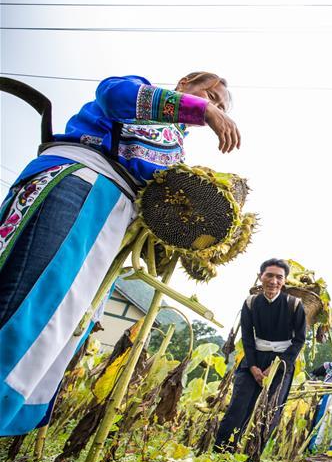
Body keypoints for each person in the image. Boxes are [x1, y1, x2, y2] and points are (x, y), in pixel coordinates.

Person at [0, 72, 240, 436]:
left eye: (221, 105)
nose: (215, 106)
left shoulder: (176, 152)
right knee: (30, 302)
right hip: (80, 185)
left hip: (110, 224)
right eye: (211, 94)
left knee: (60, 328)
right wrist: (201, 109)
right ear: (187, 82)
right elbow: (114, 95)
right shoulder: (139, 92)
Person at [214, 259, 306, 452]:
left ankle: (248, 461)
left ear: (285, 281)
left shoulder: (295, 305)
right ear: (260, 276)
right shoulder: (251, 303)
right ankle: (220, 453)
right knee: (237, 408)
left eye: (279, 277)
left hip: (281, 364)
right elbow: (247, 336)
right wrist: (254, 367)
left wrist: (276, 366)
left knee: (269, 412)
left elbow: (299, 340)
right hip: (253, 359)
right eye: (269, 275)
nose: (273, 281)